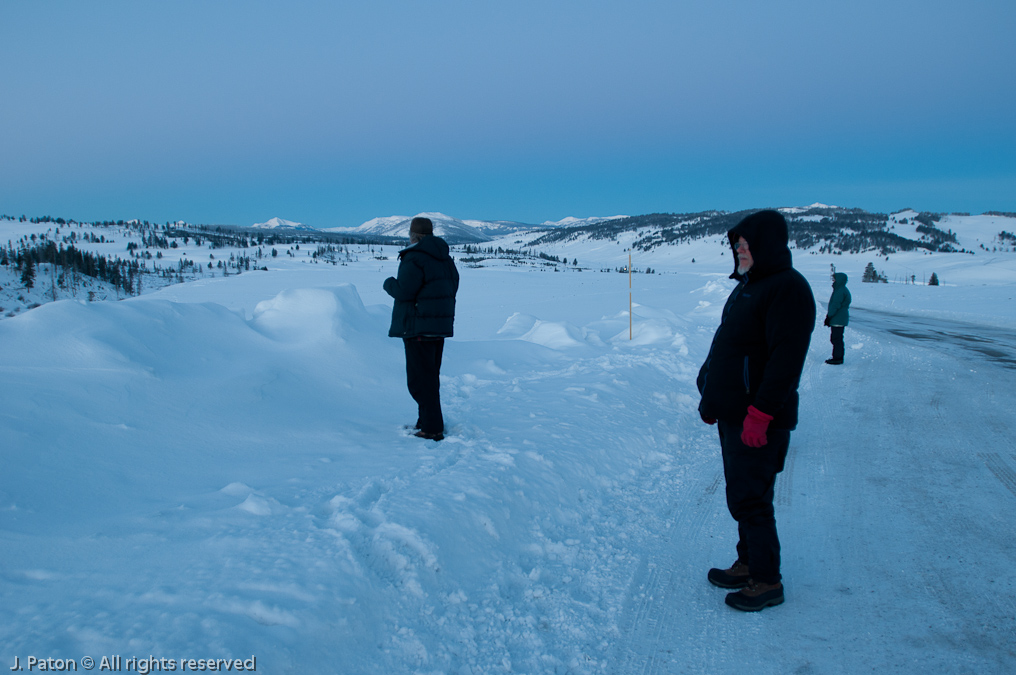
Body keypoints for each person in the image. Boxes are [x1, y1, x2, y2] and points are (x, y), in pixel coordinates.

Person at [696, 209, 815, 612]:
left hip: (758, 419)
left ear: (768, 246)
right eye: (737, 245)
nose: (740, 250)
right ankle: (749, 562)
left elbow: (786, 361)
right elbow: (730, 344)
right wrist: (710, 390)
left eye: (747, 244)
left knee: (752, 500)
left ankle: (766, 581)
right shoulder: (750, 286)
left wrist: (761, 414)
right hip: (735, 413)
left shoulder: (787, 289)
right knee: (741, 495)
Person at [383, 217, 459, 441]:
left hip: (418, 327)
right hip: (438, 325)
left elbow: (405, 291)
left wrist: (389, 283)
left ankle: (432, 428)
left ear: (413, 236)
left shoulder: (414, 257)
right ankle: (425, 421)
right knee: (429, 378)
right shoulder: (444, 257)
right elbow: (453, 284)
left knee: (419, 381)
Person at [824, 272, 851, 364]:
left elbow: (835, 305)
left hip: (838, 318)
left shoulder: (840, 291)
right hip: (839, 318)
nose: (833, 281)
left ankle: (837, 358)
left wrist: (829, 316)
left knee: (836, 338)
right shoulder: (841, 289)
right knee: (837, 338)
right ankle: (838, 357)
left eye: (834, 279)